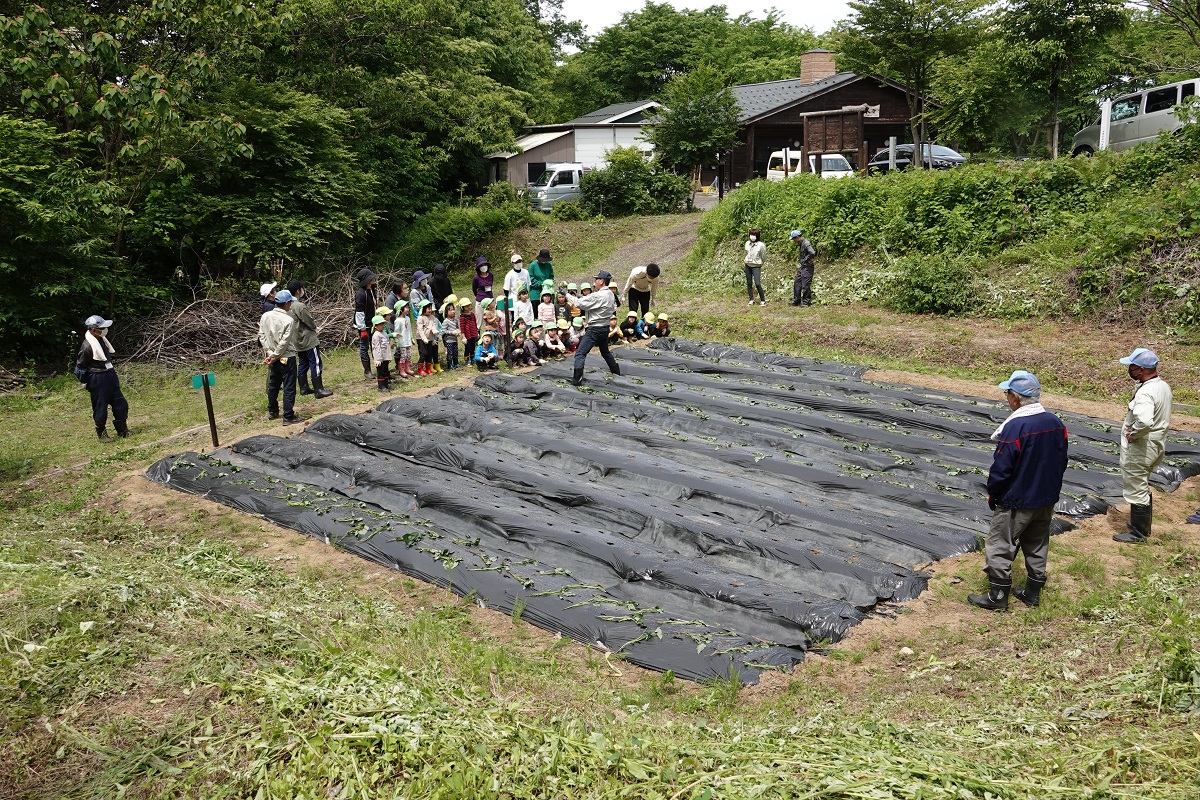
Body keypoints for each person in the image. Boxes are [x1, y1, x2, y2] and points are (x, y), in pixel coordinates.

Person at [968, 370, 1068, 611]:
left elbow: (1002, 467)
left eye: (1007, 394)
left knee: (1001, 544)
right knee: (1036, 542)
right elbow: (1061, 460)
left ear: (1015, 397)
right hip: (1046, 497)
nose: (1006, 399)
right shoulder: (1056, 423)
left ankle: (997, 597)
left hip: (1018, 499)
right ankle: (1032, 593)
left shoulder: (1016, 426)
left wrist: (994, 493)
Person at [1114, 348, 1173, 543]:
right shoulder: (1162, 386)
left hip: (1142, 447)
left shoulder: (1146, 392)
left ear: (1140, 369)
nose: (1129, 369)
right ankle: (1140, 524)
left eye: (1131, 366)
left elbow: (1145, 421)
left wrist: (1134, 433)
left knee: (1136, 486)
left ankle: (1138, 533)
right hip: (1156, 445)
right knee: (1142, 482)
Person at [76, 315, 130, 441]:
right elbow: (81, 367)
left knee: (120, 403)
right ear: (93, 330)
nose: (105, 329)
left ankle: (122, 430)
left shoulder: (101, 339)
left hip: (110, 374)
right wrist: (88, 382)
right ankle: (102, 435)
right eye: (102, 327)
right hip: (98, 378)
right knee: (100, 407)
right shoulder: (87, 347)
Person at [258, 289, 305, 425]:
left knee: (274, 384)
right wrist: (275, 355)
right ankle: (288, 416)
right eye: (290, 302)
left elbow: (261, 335)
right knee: (289, 386)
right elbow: (284, 342)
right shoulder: (288, 320)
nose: (290, 305)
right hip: (286, 357)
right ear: (286, 303)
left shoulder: (265, 316)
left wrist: (270, 354)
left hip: (273, 356)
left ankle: (272, 411)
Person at [566, 270, 621, 386]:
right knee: (605, 352)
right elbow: (592, 300)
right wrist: (582, 297)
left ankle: (576, 381)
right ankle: (617, 372)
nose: (594, 282)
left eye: (596, 279)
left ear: (601, 281)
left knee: (580, 354)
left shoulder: (598, 295)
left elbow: (579, 304)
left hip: (594, 329)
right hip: (605, 327)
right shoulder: (611, 294)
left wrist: (566, 295)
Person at [287, 279, 332, 399]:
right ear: (298, 291)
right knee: (315, 363)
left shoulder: (287, 305)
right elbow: (310, 322)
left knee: (303, 363)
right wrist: (314, 327)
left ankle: (303, 387)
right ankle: (319, 389)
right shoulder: (299, 306)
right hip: (308, 339)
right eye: (302, 288)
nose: (303, 291)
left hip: (297, 340)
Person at [353, 268, 378, 378]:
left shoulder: (371, 290)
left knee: (375, 345)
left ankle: (379, 367)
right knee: (364, 347)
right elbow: (359, 312)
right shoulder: (361, 294)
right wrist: (362, 329)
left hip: (373, 323)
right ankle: (367, 371)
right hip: (364, 324)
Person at [789, 230, 816, 307]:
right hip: (803, 266)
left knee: (805, 285)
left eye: (793, 239)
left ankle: (806, 302)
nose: (793, 241)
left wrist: (806, 259)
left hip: (808, 267)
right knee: (797, 282)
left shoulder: (806, 243)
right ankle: (796, 300)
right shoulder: (801, 243)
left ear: (797, 237)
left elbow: (812, 252)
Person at [503, 254, 529, 326]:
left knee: (526, 317)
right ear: (512, 264)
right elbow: (506, 290)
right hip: (514, 300)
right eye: (516, 262)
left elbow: (529, 284)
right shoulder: (509, 275)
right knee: (515, 319)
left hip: (525, 299)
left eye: (520, 261)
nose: (519, 263)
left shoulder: (526, 272)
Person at [416, 299, 440, 375]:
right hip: (421, 339)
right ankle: (420, 369)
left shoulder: (432, 317)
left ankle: (428, 368)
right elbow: (420, 330)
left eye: (430, 308)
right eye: (428, 308)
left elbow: (433, 325)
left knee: (430, 353)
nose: (430, 310)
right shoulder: (420, 318)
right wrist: (424, 338)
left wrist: (434, 332)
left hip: (430, 338)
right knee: (424, 353)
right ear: (423, 309)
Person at [392, 298, 414, 380]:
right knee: (403, 355)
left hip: (408, 340)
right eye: (406, 308)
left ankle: (407, 368)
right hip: (402, 341)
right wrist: (396, 341)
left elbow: (410, 329)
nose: (408, 309)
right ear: (401, 309)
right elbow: (396, 332)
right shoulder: (398, 320)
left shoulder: (407, 318)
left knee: (409, 355)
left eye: (408, 307)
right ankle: (401, 370)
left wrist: (411, 338)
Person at [744, 229, 766, 306]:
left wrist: (760, 263)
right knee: (749, 283)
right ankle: (751, 299)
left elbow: (763, 256)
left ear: (757, 236)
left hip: (756, 266)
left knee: (757, 283)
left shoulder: (761, 245)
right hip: (747, 265)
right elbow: (746, 253)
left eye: (754, 235)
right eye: (751, 234)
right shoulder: (747, 243)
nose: (752, 236)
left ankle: (763, 300)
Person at [370, 315, 393, 392]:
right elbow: (376, 348)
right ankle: (381, 386)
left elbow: (387, 345)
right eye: (381, 324)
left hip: (385, 356)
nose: (383, 326)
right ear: (376, 326)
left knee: (386, 371)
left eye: (383, 324)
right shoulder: (376, 335)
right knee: (381, 372)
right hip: (379, 358)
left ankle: (386, 384)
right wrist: (378, 359)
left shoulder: (384, 333)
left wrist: (389, 356)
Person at [458, 296, 479, 366]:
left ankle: (472, 358)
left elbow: (475, 323)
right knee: (468, 347)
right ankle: (467, 359)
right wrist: (463, 337)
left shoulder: (472, 314)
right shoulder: (462, 317)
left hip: (473, 333)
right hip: (467, 335)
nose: (468, 307)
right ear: (462, 307)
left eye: (468, 305)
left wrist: (476, 332)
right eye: (466, 306)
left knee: (473, 346)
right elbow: (462, 327)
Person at [442, 302, 461, 370]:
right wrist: (452, 332)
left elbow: (457, 327)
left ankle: (456, 363)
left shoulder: (455, 320)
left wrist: (458, 331)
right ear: (446, 312)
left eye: (453, 309)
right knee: (449, 353)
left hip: (455, 339)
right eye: (450, 310)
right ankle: (449, 364)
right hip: (448, 340)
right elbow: (443, 331)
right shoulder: (446, 321)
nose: (452, 311)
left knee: (455, 352)